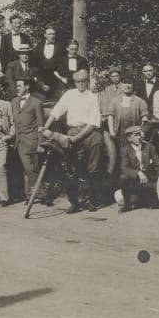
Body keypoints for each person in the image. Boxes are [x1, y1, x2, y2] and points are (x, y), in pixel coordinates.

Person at [40, 69, 104, 213]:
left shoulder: (93, 97)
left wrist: (77, 137)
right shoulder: (69, 94)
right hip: (72, 130)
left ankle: (90, 201)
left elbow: (93, 123)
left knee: (92, 167)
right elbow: (56, 111)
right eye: (78, 81)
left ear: (87, 81)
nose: (81, 84)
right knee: (70, 167)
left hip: (89, 132)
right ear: (74, 82)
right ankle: (74, 202)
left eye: (83, 81)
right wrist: (45, 126)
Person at [11, 77, 46, 204]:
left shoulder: (37, 102)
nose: (17, 88)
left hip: (32, 141)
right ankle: (40, 193)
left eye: (19, 85)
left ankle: (32, 195)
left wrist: (41, 143)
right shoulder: (14, 101)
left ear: (27, 87)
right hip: (19, 141)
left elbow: (41, 125)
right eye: (17, 85)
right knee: (28, 168)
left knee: (32, 169)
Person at [116, 125, 159, 213]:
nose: (139, 137)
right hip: (134, 181)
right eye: (135, 135)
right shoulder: (125, 150)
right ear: (129, 139)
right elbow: (124, 168)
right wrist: (138, 173)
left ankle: (149, 201)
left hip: (148, 180)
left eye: (139, 134)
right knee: (123, 178)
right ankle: (127, 206)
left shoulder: (149, 147)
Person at [32, 26, 64, 98]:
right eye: (49, 34)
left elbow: (62, 62)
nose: (52, 36)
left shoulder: (60, 46)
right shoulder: (39, 46)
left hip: (55, 78)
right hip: (42, 77)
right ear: (45, 35)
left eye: (53, 34)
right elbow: (34, 63)